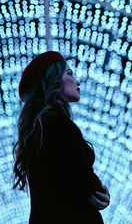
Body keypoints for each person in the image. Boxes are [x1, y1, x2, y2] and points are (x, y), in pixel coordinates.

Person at [12, 51, 110, 224]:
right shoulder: (58, 124)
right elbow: (89, 186)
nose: (77, 82)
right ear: (53, 81)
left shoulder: (37, 129)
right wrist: (101, 192)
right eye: (69, 74)